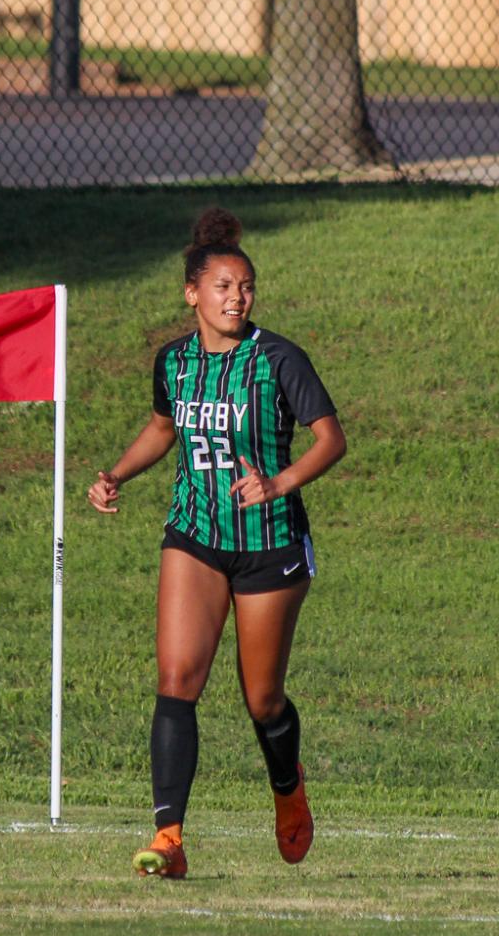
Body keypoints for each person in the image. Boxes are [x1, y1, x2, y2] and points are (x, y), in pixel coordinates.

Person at [87, 207, 346, 879]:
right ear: (192, 293)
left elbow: (331, 439)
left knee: (261, 698)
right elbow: (162, 428)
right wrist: (115, 472)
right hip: (196, 534)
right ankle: (168, 839)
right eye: (224, 286)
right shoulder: (173, 362)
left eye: (246, 287)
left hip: (268, 544)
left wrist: (280, 481)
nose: (237, 297)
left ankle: (288, 786)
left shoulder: (279, 359)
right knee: (177, 679)